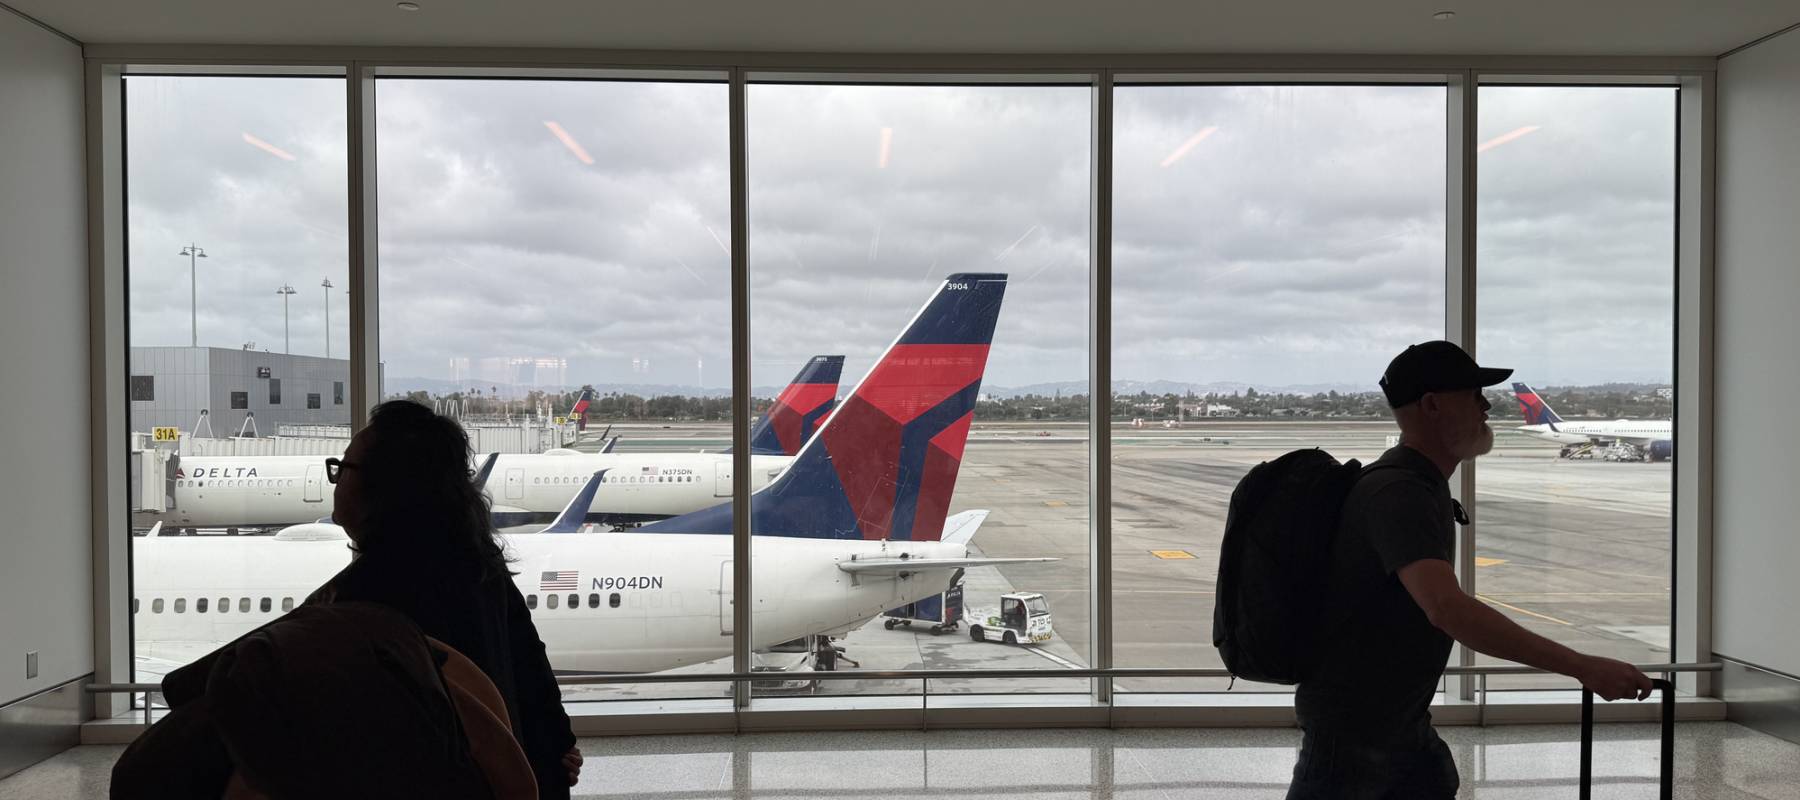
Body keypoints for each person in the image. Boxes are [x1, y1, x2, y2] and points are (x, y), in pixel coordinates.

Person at [1287, 341, 1653, 800]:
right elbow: (1446, 609)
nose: (1486, 404)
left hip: (1394, 727)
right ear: (1432, 405)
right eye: (1473, 393)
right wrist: (1581, 666)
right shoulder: (1399, 492)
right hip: (1358, 740)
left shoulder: (1415, 485)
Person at [314, 400, 582, 799]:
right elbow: (530, 669)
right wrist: (550, 756)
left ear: (383, 487)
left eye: (343, 468)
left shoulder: (363, 599)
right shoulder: (476, 565)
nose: (336, 481)